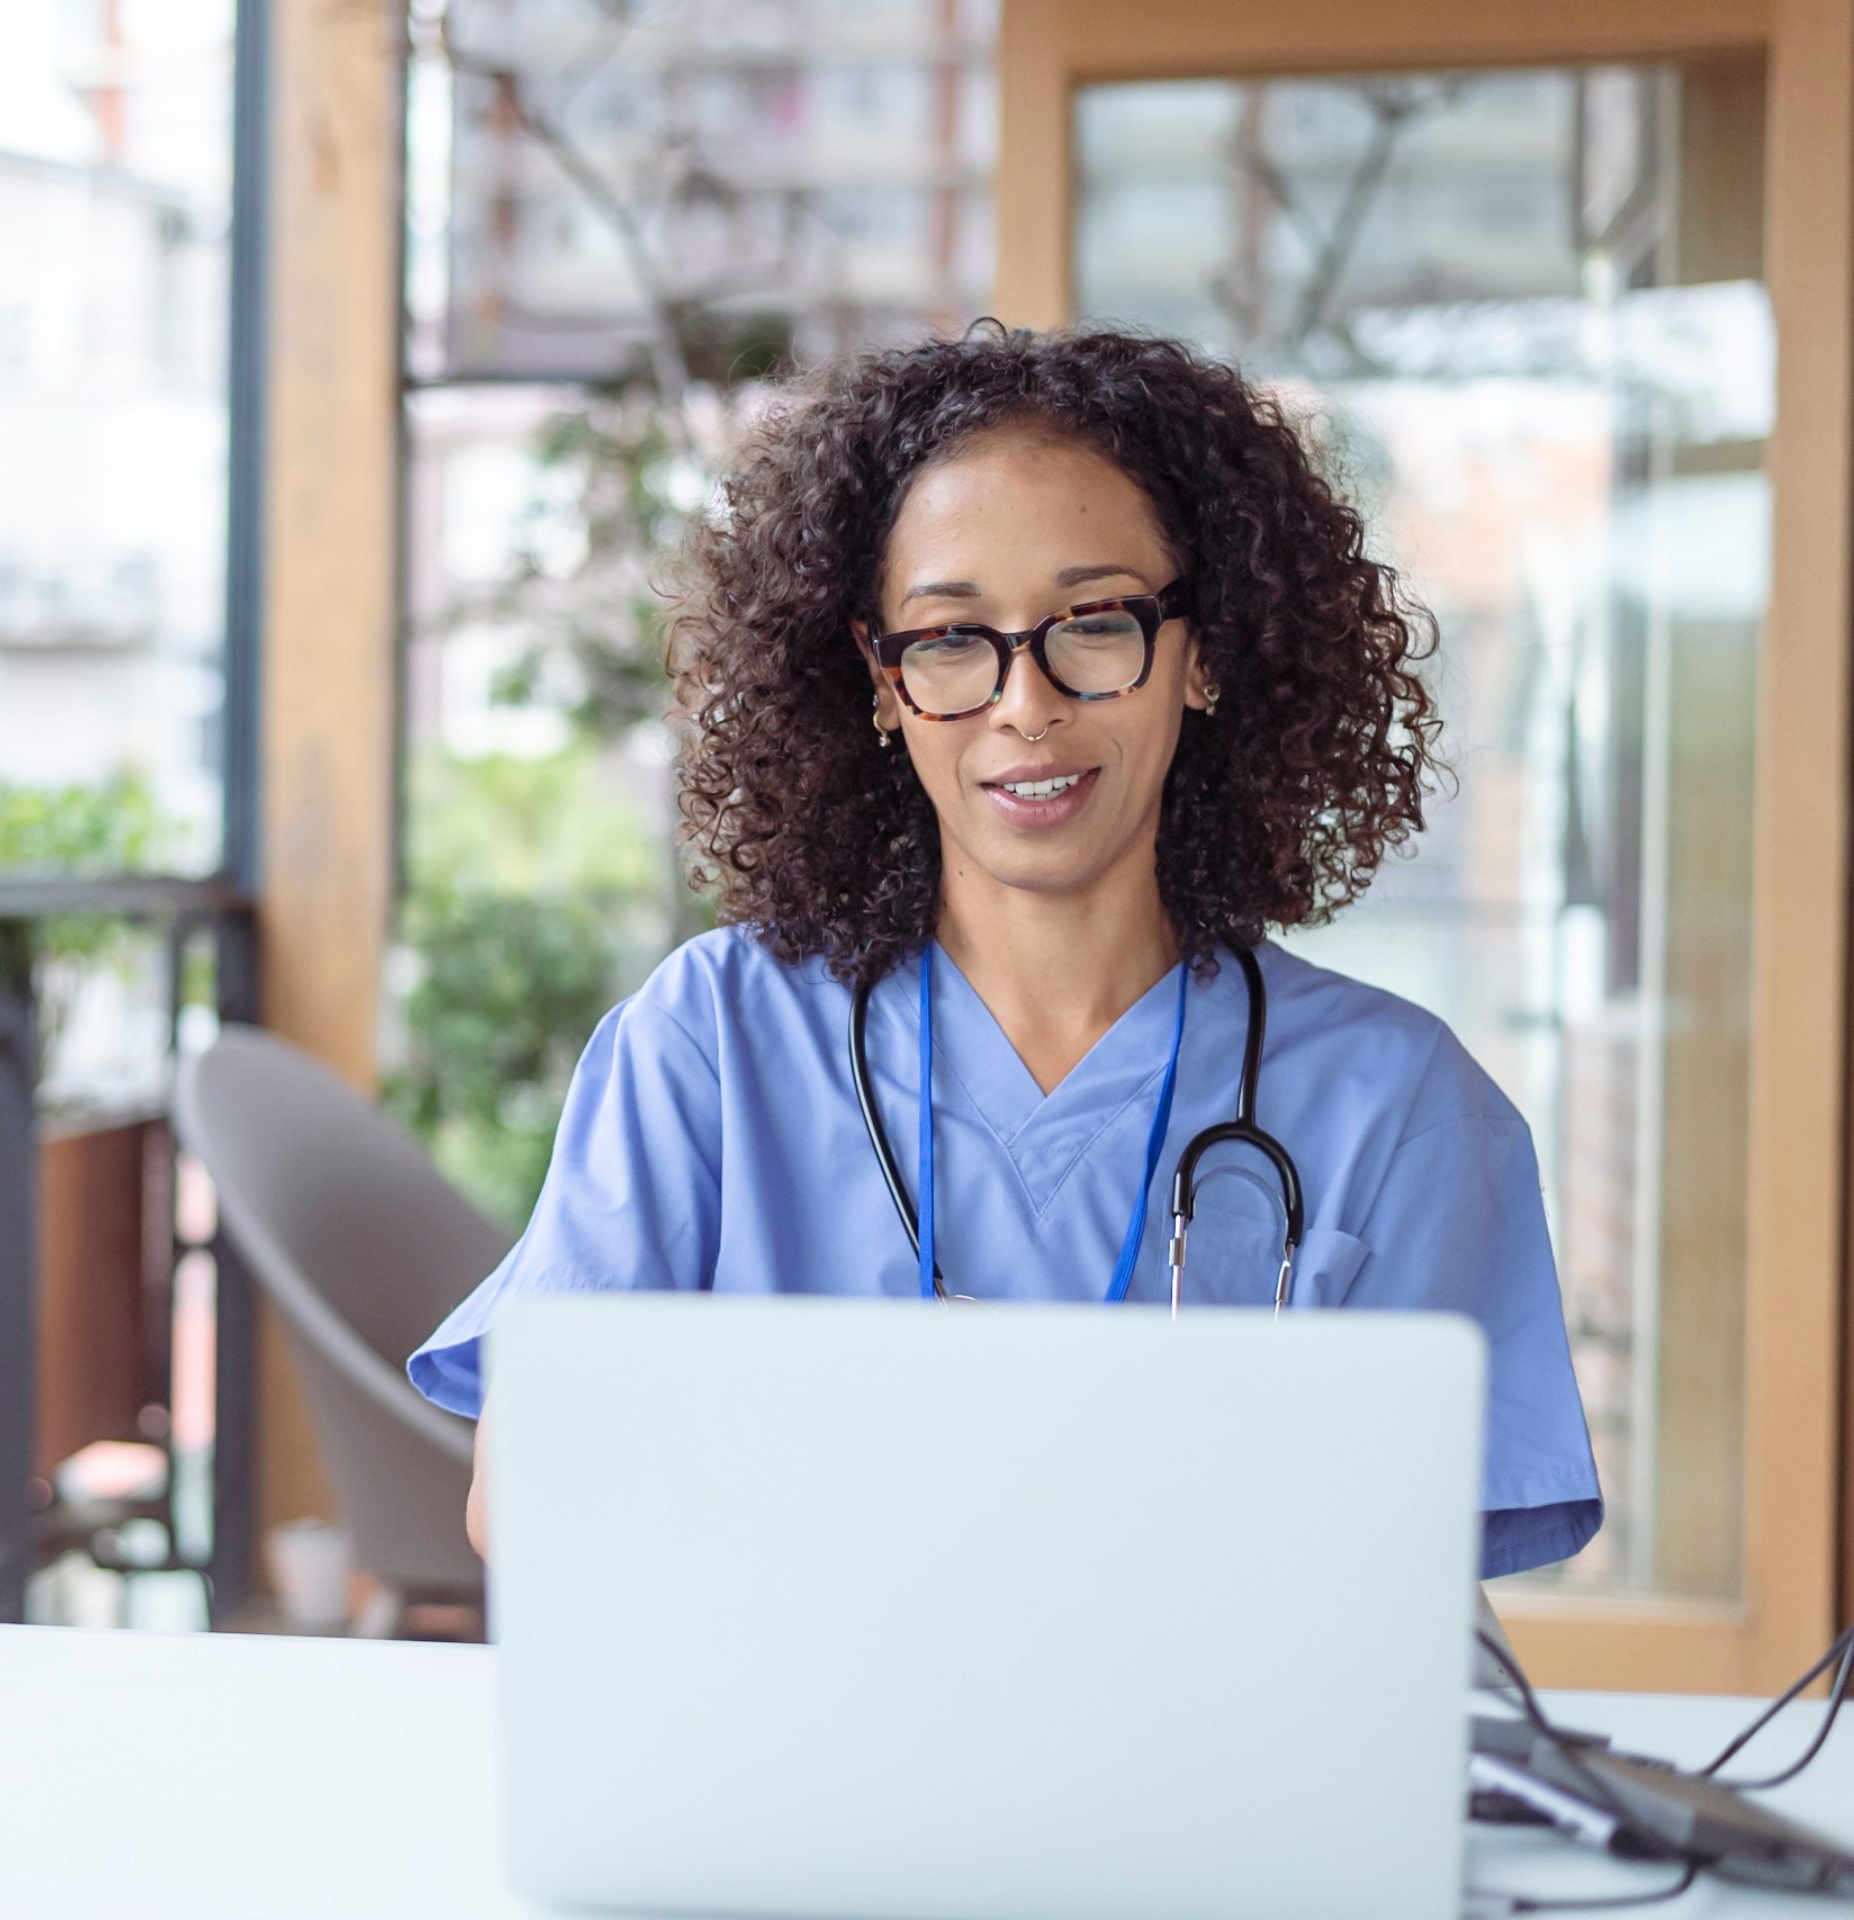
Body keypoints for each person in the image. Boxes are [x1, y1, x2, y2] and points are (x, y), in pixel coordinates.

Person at [409, 324, 1602, 1580]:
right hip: (791, 1756)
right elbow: (534, 1492)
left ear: (1200, 656)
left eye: (1095, 622)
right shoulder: (708, 1046)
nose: (1025, 704)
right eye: (950, 639)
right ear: (879, 683)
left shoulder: (1397, 1107)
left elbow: (1394, 1602)